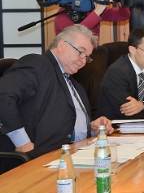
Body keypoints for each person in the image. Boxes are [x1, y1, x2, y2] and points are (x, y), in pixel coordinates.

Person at [0, 25, 114, 162]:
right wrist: (22, 142)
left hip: (72, 154)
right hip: (37, 157)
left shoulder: (74, 83)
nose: (83, 61)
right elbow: (3, 94)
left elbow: (65, 120)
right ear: (61, 45)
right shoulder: (38, 64)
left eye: (87, 57)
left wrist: (91, 128)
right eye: (81, 52)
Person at [96, 26, 144, 120]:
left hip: (137, 126)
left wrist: (142, 106)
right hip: (114, 126)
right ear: (132, 50)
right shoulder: (117, 72)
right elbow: (128, 113)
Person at [54, 0, 131, 37]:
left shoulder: (91, 8)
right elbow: (76, 35)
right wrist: (97, 11)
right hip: (70, 56)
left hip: (90, 54)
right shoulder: (63, 15)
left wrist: (120, 1)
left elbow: (123, 15)